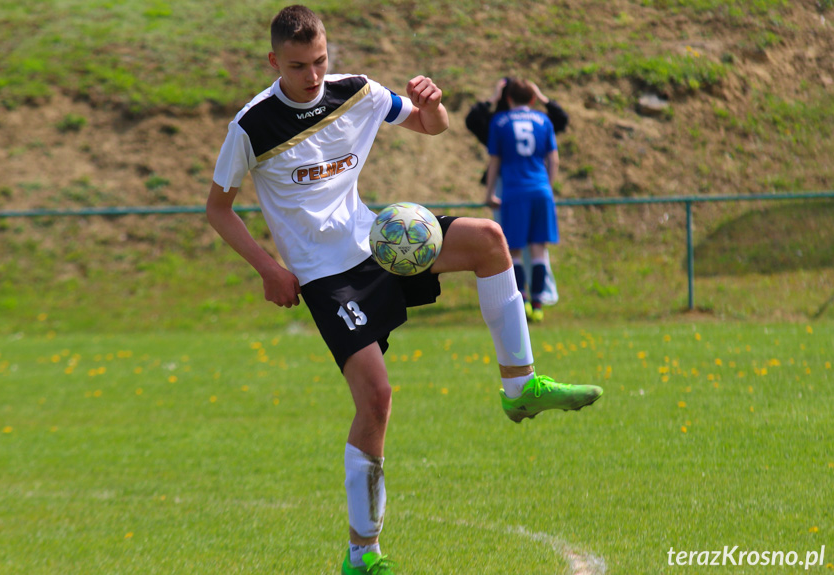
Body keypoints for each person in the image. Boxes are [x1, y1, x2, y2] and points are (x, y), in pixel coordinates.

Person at [206, 7, 602, 574]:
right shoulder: (252, 125)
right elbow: (217, 210)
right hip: (325, 278)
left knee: (491, 240)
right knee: (376, 399)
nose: (313, 75)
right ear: (274, 61)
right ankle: (362, 555)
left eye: (320, 60)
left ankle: (519, 386)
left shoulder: (356, 91)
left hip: (382, 243)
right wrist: (270, 268)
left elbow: (427, 124)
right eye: (298, 66)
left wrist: (433, 103)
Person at [485, 78, 562, 323]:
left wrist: (489, 194)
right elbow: (554, 160)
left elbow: (494, 162)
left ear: (508, 99)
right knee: (539, 249)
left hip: (514, 193)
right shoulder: (544, 120)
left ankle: (523, 301)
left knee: (515, 251)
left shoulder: (499, 122)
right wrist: (547, 188)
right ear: (532, 98)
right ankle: (539, 304)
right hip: (540, 190)